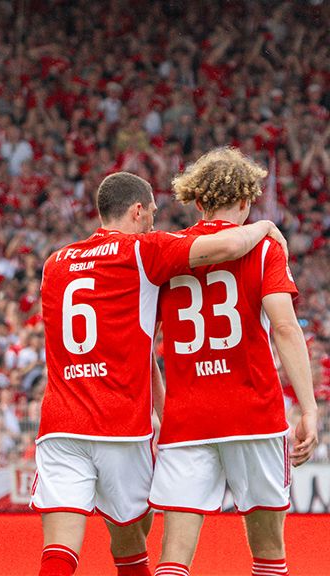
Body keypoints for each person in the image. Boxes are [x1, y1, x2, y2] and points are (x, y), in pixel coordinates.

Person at [34, 171, 289, 576]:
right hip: (119, 425)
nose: (154, 220)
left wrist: (162, 403)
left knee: (59, 550)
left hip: (60, 423)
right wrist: (266, 225)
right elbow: (228, 243)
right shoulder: (142, 250)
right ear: (138, 210)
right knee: (133, 542)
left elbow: (134, 345)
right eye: (152, 212)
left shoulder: (55, 263)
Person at [148, 149, 319, 576]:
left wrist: (161, 408)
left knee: (174, 556)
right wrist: (310, 409)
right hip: (253, 413)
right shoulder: (264, 248)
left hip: (188, 417)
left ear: (199, 202)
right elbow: (284, 328)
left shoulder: (168, 252)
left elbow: (143, 341)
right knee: (268, 553)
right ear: (246, 202)